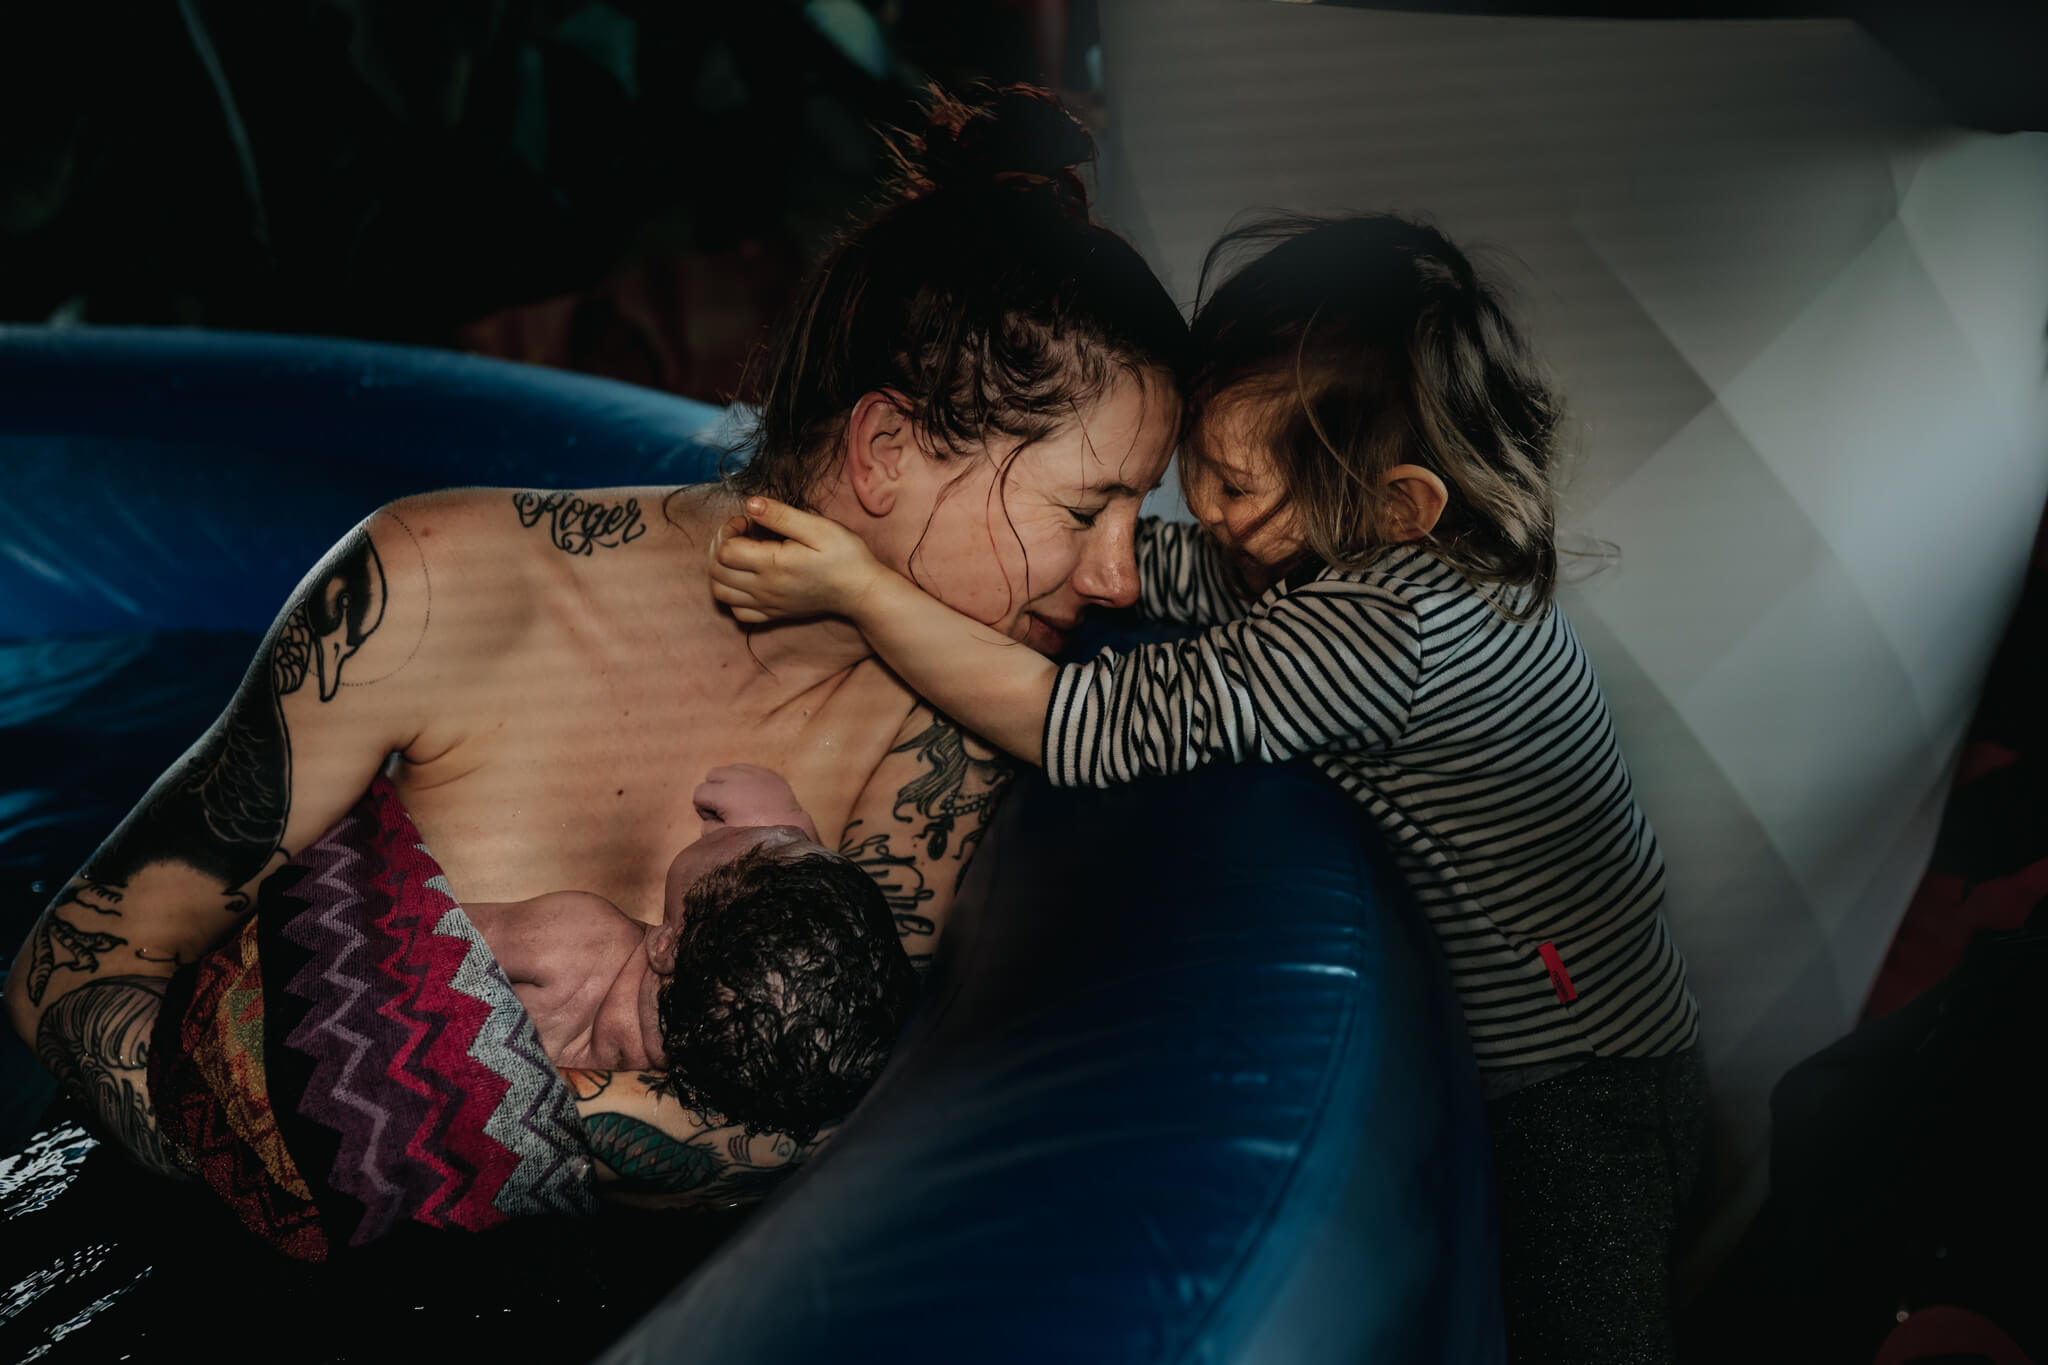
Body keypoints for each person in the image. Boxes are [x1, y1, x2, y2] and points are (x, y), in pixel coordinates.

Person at [4, 82, 1188, 1206]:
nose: (1119, 576)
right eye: (1084, 509)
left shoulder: (947, 723)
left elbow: (842, 1117)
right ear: (885, 452)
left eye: (1135, 516)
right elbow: (71, 974)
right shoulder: (436, 591)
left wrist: (439, 1124)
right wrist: (267, 1146)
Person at [710, 213, 1707, 1358]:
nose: (1204, 511)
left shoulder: (1390, 629)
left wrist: (859, 591)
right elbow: (1176, 576)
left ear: (1396, 508)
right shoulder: (1351, 552)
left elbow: (1082, 726)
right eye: (1198, 471)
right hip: (1574, 1051)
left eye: (1232, 485)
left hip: (1580, 1083)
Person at [470, 764, 917, 1143]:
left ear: (664, 946)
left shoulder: (578, 939)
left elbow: (434, 932)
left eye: (779, 844)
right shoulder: (710, 1083)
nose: (789, 828)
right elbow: (801, 1003)